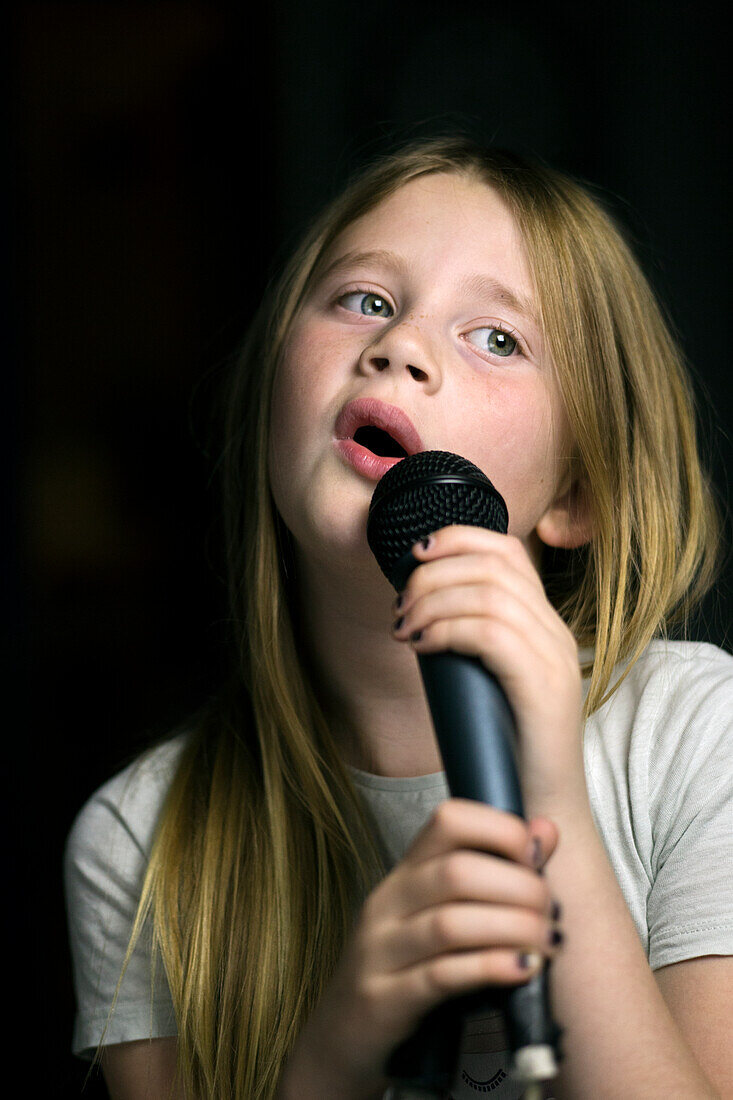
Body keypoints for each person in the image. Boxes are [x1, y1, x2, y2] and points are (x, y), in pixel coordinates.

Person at [64, 136, 733, 1100]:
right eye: (364, 301)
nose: (399, 347)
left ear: (577, 492)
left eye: (497, 338)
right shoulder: (142, 842)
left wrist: (550, 804)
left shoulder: (693, 736)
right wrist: (339, 1048)